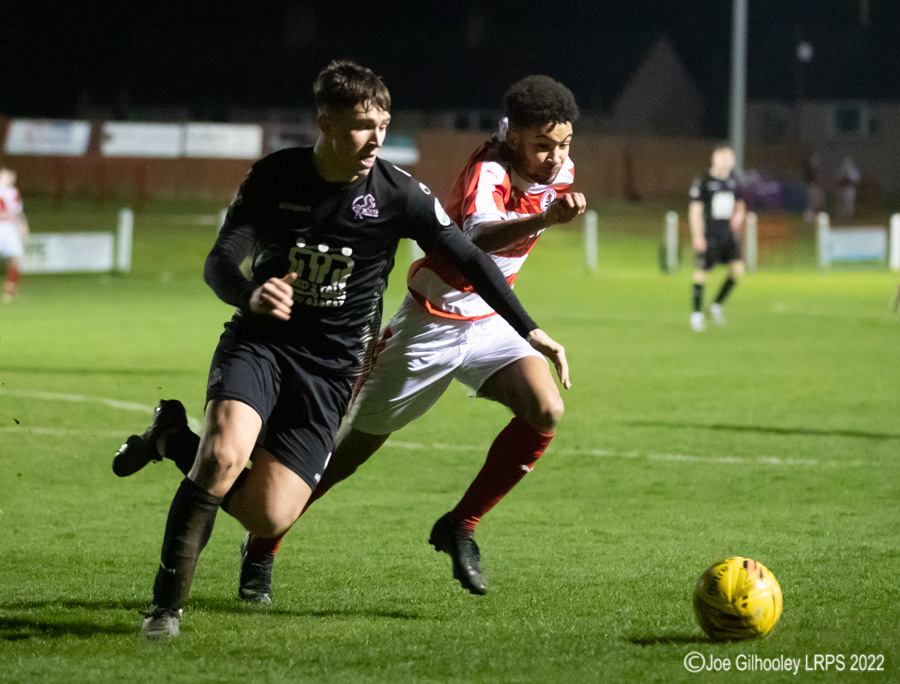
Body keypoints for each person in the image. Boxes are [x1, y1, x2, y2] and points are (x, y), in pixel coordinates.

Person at [125, 61, 568, 641]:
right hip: (267, 342)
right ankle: (165, 611)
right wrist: (248, 293)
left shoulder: (399, 193)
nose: (375, 138)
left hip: (335, 364)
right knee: (223, 457)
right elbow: (219, 261)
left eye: (382, 124)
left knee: (270, 511)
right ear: (325, 121)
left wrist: (530, 329)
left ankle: (171, 438)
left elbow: (469, 257)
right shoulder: (275, 177)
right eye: (362, 124)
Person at [688, 144, 746, 332]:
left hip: (727, 235)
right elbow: (695, 210)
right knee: (702, 272)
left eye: (730, 157)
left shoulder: (733, 181)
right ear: (715, 158)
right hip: (709, 234)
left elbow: (740, 204)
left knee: (737, 271)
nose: (727, 161)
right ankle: (696, 314)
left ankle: (715, 305)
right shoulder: (704, 181)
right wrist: (697, 235)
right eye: (723, 157)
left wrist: (739, 215)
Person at [0, 168, 28, 303]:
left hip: (10, 228)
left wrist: (24, 227)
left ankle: (9, 290)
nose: (10, 179)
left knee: (16, 257)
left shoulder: (14, 192)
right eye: (7, 176)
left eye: (12, 177)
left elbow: (18, 213)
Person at [836, 156, 861, 221]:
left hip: (850, 189)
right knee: (842, 203)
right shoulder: (840, 171)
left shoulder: (854, 171)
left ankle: (849, 217)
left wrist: (848, 176)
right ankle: (842, 218)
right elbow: (838, 179)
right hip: (842, 189)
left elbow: (856, 180)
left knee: (850, 203)